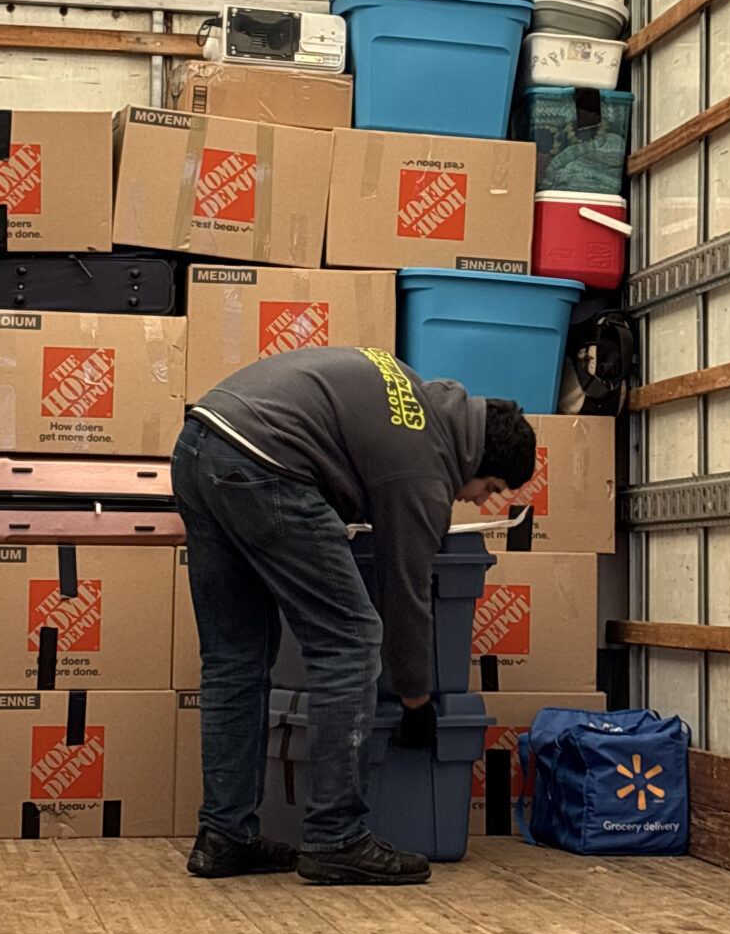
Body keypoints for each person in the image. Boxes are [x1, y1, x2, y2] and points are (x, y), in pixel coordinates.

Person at [171, 344, 537, 887]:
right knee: (350, 640)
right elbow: (405, 593)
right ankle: (336, 837)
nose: (481, 502)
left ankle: (225, 836)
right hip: (264, 463)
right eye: (491, 488)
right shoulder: (425, 468)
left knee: (235, 657)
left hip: (200, 446)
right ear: (479, 459)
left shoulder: (417, 401)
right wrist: (416, 700)